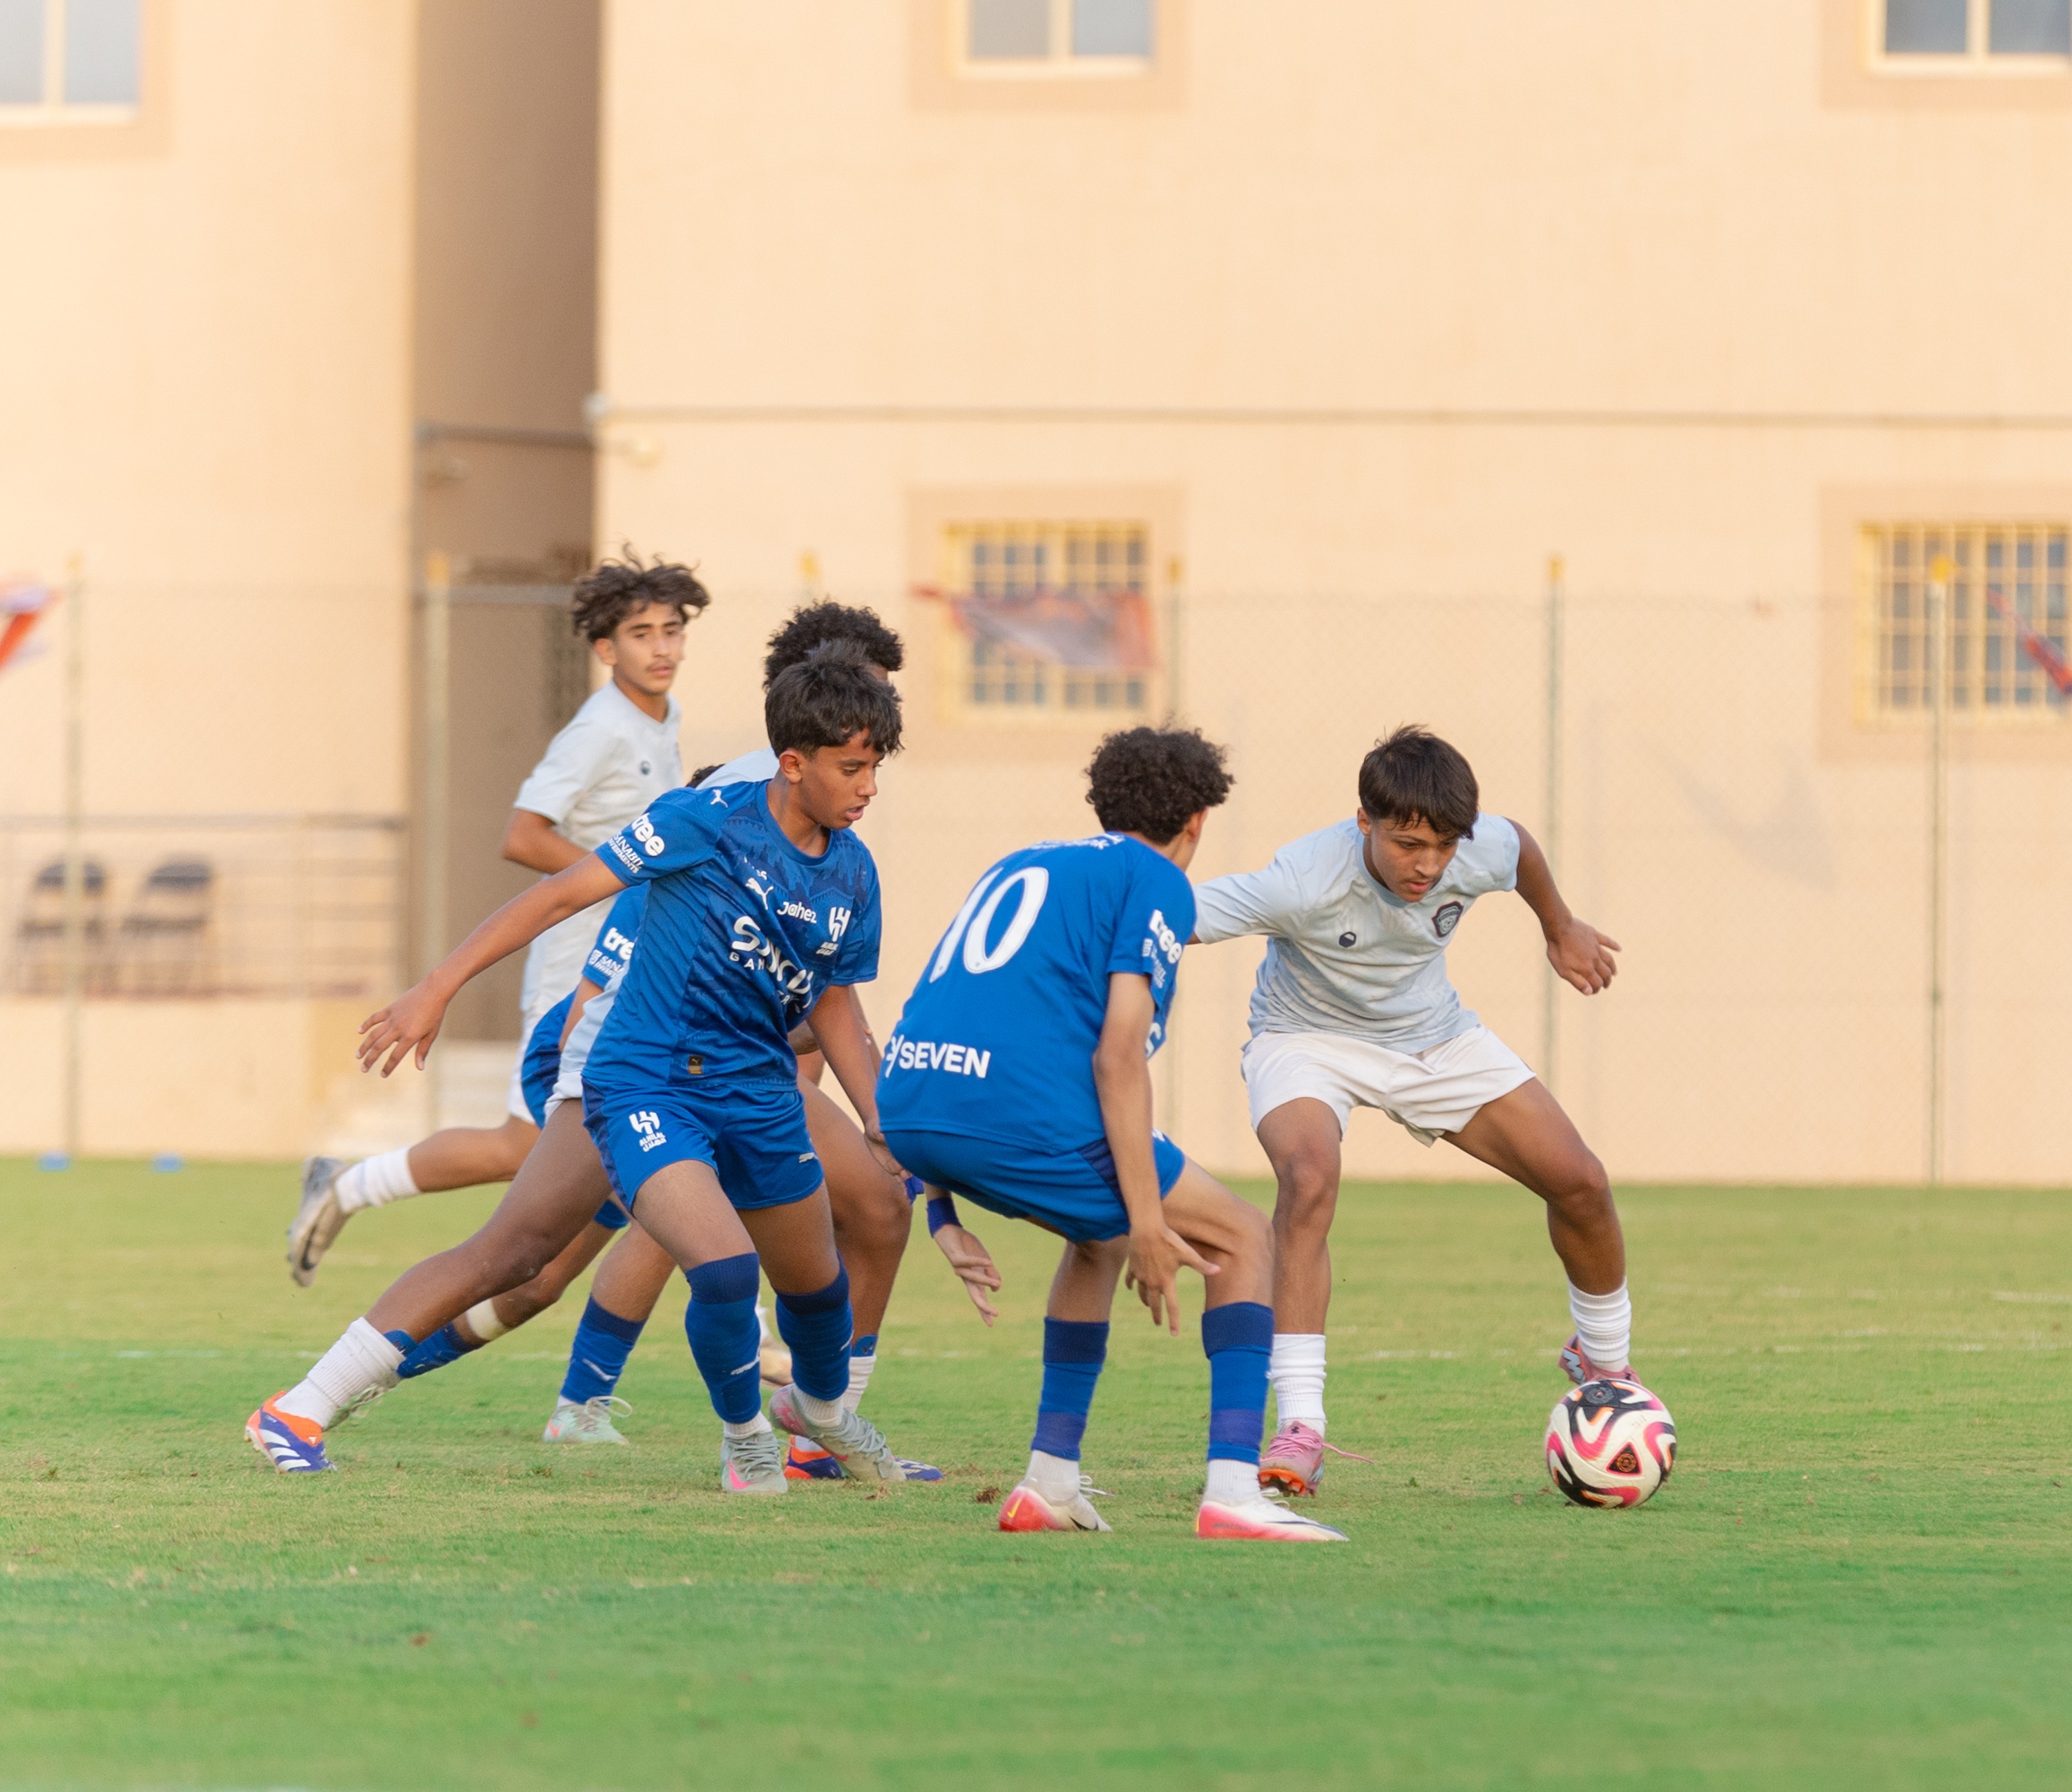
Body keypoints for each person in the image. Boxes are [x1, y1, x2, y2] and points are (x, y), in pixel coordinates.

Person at [247, 646, 914, 1495]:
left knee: (814, 1291)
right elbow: (559, 894)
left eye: (874, 768)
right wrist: (436, 987)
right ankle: (303, 1406)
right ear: (793, 760)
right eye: (853, 767)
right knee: (625, 1260)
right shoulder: (703, 818)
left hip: (756, 1088)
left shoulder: (852, 870)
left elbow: (836, 1005)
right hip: (645, 1076)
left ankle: (817, 1416)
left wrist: (886, 1124)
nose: (868, 786)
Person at [877, 727, 1345, 1543]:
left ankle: (1050, 1480)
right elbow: (1119, 1052)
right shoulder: (1157, 880)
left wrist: (942, 1210)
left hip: (911, 1107)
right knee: (1239, 1234)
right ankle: (1236, 1489)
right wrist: (1152, 1221)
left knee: (1097, 1239)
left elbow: (954, 1012)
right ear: (1196, 821)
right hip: (1014, 1112)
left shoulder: (1024, 862)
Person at [1189, 724, 1632, 1499]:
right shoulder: (1302, 879)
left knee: (1582, 1181)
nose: (1428, 864)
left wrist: (1560, 925)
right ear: (1364, 820)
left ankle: (1607, 1370)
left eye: (1444, 846)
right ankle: (1300, 1424)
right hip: (1305, 1037)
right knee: (1308, 1175)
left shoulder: (1478, 847)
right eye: (1407, 843)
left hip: (1433, 1035)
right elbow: (1181, 914)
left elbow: (1519, 847)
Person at [285, 554, 707, 1285]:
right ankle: (348, 1187)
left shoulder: (661, 718)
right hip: (576, 965)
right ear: (606, 649)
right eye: (643, 633)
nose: (663, 647)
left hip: (626, 966)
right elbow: (522, 833)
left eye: (672, 630)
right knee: (528, 1145)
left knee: (595, 1136)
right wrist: (618, 875)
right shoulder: (599, 728)